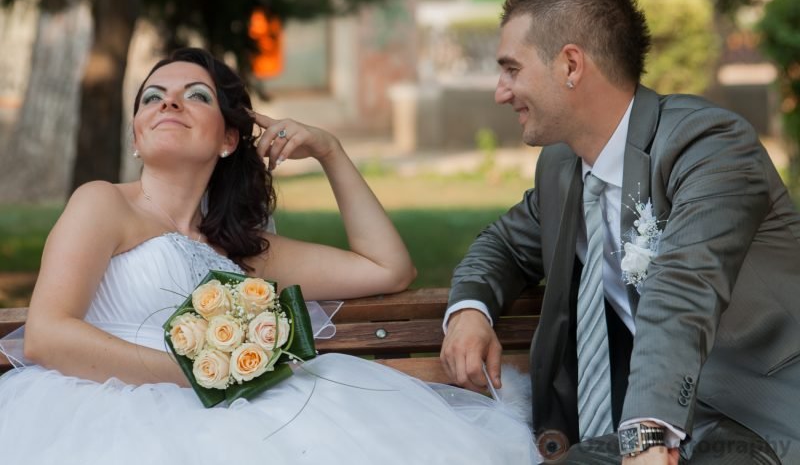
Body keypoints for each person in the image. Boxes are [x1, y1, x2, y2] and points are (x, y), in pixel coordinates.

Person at [0, 47, 537, 464]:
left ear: (230, 139)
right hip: (102, 414)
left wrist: (330, 151)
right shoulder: (102, 204)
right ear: (137, 137)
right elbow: (48, 334)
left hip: (231, 417)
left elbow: (388, 267)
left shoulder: (241, 251)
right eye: (152, 96)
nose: (169, 102)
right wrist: (195, 375)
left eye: (196, 95)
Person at [440, 0, 800, 464]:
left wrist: (647, 432)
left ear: (570, 65)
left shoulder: (709, 145)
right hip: (644, 425)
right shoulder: (562, 167)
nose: (501, 92)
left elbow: (684, 287)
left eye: (511, 69)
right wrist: (469, 312)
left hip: (758, 418)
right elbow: (502, 245)